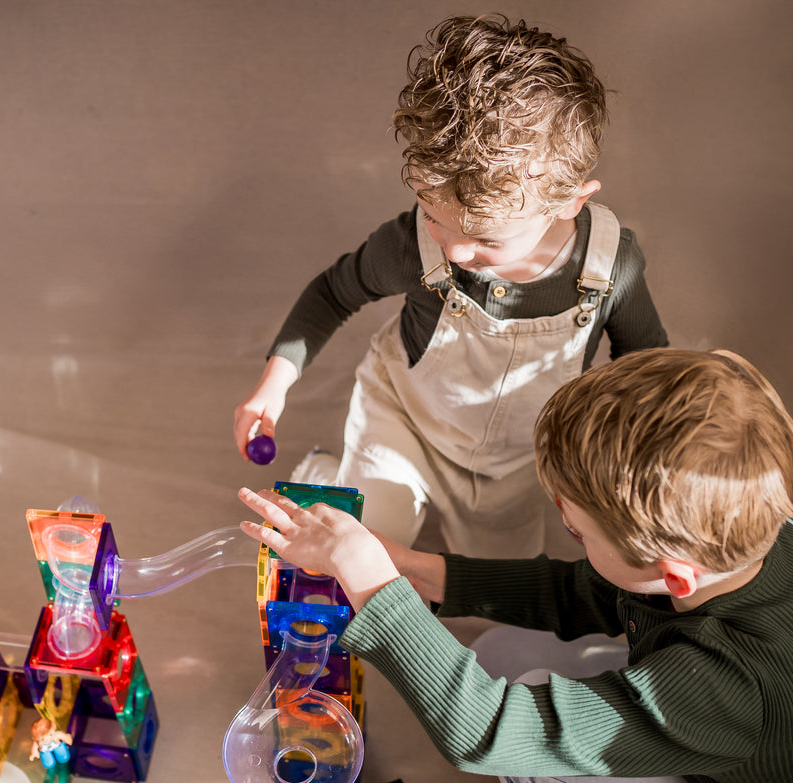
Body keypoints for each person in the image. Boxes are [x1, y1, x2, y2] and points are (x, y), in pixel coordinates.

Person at [236, 348, 793, 783]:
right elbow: (581, 592)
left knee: (524, 751)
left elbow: (482, 731)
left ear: (674, 573)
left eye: (577, 531)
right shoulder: (749, 537)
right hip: (751, 760)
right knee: (494, 652)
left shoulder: (723, 684)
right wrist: (403, 562)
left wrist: (373, 584)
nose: (566, 532)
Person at [233, 14, 668, 559]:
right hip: (405, 425)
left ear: (570, 202)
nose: (456, 251)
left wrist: (631, 453)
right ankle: (337, 474)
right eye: (435, 218)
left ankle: (361, 487)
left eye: (485, 239)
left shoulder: (610, 265)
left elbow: (646, 363)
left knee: (492, 579)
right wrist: (273, 385)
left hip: (518, 463)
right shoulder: (414, 247)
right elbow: (334, 292)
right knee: (362, 551)